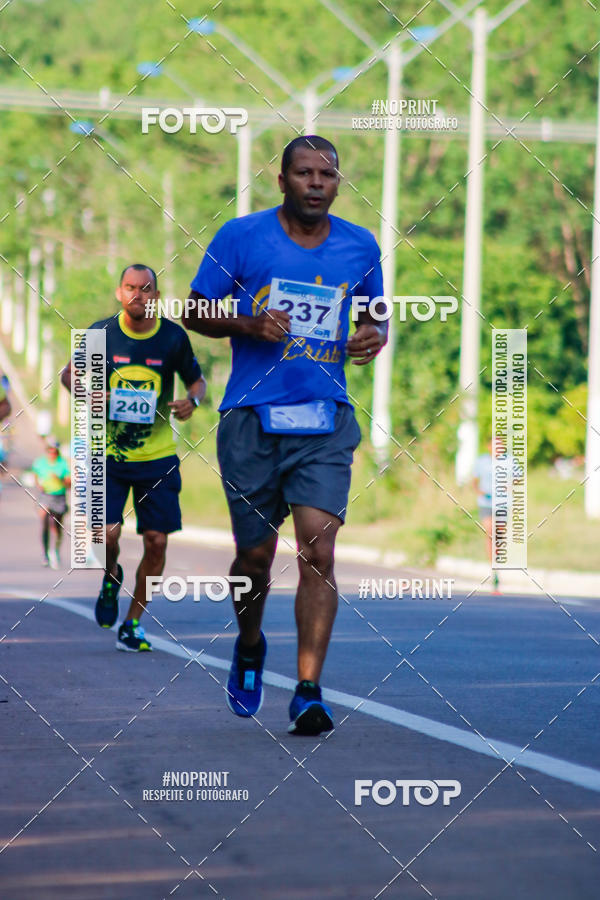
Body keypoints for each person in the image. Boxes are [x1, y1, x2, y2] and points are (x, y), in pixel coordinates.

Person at [184, 135, 386, 735]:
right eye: (304, 173)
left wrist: (371, 338)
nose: (317, 183)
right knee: (255, 555)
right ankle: (249, 642)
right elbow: (194, 311)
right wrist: (246, 321)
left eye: (327, 173)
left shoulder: (360, 245)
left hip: (325, 416)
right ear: (282, 181)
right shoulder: (241, 237)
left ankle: (308, 690)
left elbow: (373, 315)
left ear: (338, 182)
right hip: (250, 417)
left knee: (318, 550)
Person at [61, 264, 206, 651]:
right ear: (119, 292)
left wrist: (192, 401)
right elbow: (68, 375)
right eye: (130, 288)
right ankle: (111, 575)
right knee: (106, 534)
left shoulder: (172, 337)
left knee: (156, 541)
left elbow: (197, 380)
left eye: (146, 289)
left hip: (157, 457)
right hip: (108, 454)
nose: (138, 295)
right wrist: (89, 391)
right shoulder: (101, 333)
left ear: (155, 296)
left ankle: (133, 623)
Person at [32, 437, 70, 568]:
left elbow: (68, 483)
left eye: (54, 451)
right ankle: (45, 553)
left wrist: (59, 479)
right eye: (50, 451)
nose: (52, 454)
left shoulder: (63, 463)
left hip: (59, 496)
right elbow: (36, 476)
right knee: (44, 522)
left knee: (56, 526)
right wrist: (39, 485)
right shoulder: (40, 463)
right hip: (44, 496)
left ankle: (55, 551)